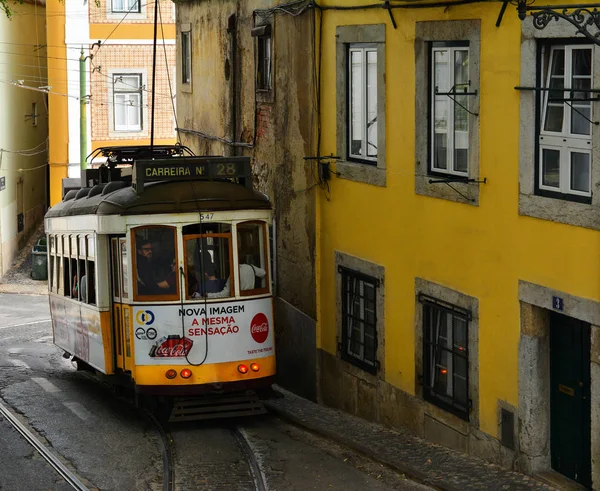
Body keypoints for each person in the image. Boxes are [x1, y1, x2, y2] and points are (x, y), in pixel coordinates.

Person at [201, 262, 266, 299]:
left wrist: (208, 295)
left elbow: (225, 294)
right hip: (253, 299)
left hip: (241, 301)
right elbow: (263, 273)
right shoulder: (250, 267)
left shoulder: (233, 274)